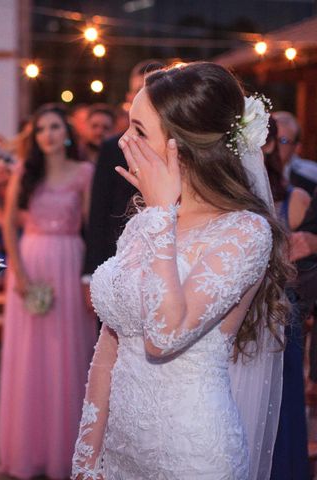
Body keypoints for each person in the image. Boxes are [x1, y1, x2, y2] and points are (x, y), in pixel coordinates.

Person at [72, 62, 292, 479]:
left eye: (139, 130)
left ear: (182, 146)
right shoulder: (142, 226)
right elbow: (107, 351)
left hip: (190, 453)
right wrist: (86, 459)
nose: (123, 140)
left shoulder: (244, 231)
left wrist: (160, 216)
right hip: (121, 451)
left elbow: (163, 337)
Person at [0, 104, 98, 479]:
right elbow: (8, 225)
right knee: (30, 357)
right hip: (32, 261)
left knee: (68, 352)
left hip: (70, 263)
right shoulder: (26, 171)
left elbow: (92, 229)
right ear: (35, 137)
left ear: (67, 132)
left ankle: (67, 450)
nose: (48, 134)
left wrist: (90, 276)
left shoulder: (85, 173)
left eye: (55, 127)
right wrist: (19, 274)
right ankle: (29, 449)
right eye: (41, 129)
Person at [83, 60, 164, 293]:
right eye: (140, 89)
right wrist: (90, 273)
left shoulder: (177, 146)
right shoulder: (112, 147)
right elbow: (98, 212)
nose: (146, 96)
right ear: (130, 97)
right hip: (116, 259)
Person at [263, 118, 310, 479]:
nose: (275, 144)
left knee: (282, 413)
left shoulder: (297, 198)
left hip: (279, 318)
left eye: (283, 139)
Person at [272, 110, 317, 195]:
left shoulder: (310, 178)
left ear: (296, 148)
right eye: (270, 138)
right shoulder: (247, 172)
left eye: (283, 141)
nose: (273, 145)